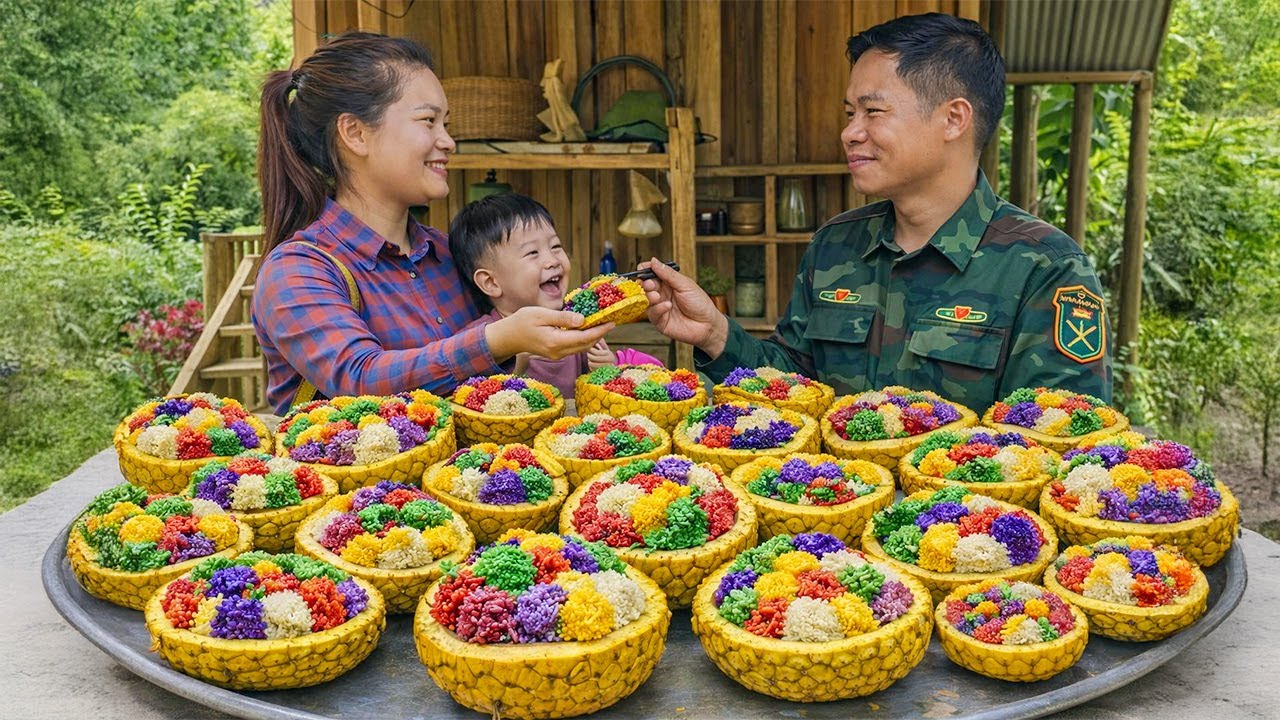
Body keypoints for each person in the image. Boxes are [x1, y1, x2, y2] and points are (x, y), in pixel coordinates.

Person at [642, 13, 1112, 410]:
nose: (850, 133)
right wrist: (716, 334)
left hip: (961, 519)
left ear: (953, 119)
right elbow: (794, 388)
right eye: (850, 114)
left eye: (873, 112)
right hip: (830, 514)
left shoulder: (1046, 268)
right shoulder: (836, 245)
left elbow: (1060, 440)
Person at [251, 32, 611, 414]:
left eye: (446, 123)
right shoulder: (297, 271)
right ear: (355, 134)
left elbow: (515, 326)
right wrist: (498, 341)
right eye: (428, 121)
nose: (448, 141)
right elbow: (360, 380)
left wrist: (615, 300)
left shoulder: (447, 254)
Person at [449, 193, 664, 398]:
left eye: (555, 246)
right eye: (532, 252)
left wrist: (611, 367)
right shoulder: (479, 342)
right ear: (491, 282)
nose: (552, 260)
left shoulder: (578, 327)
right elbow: (468, 398)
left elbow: (654, 373)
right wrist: (517, 364)